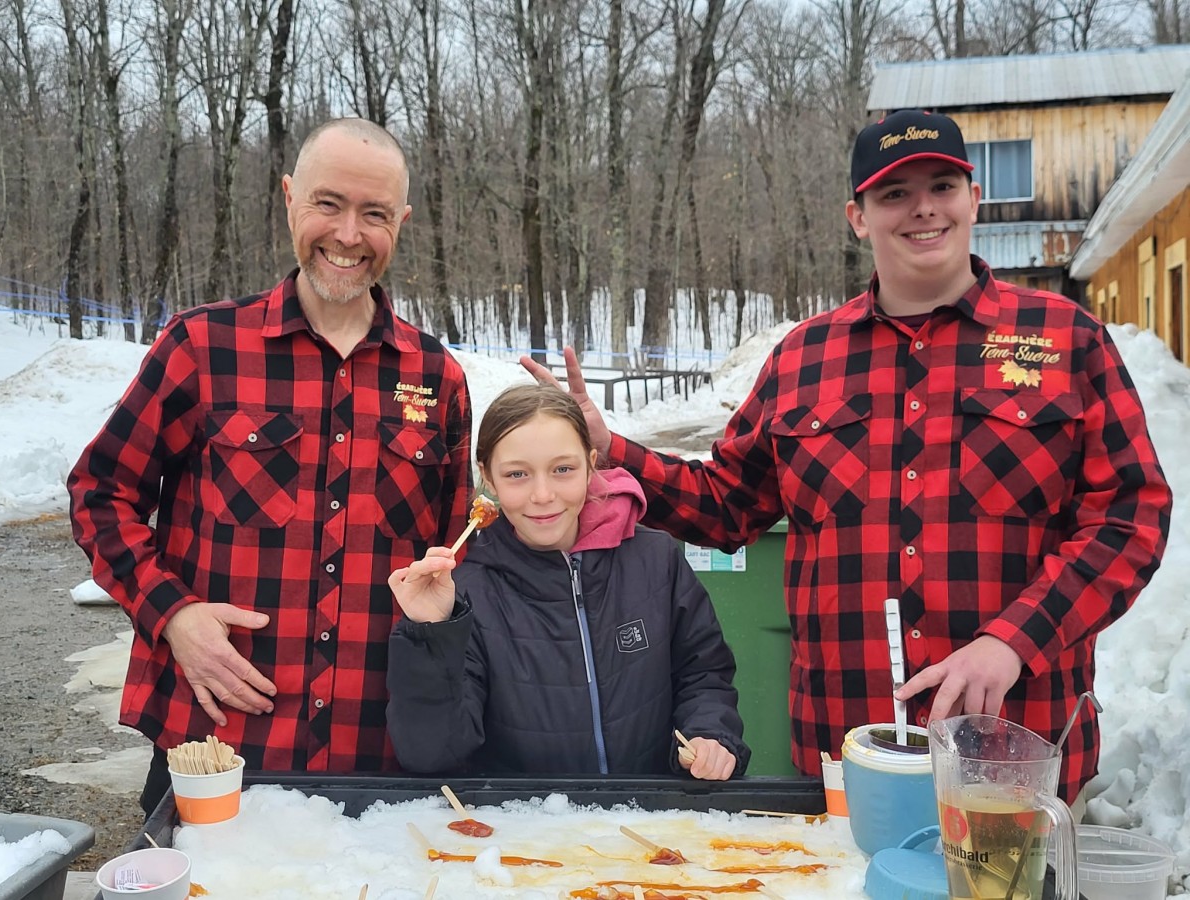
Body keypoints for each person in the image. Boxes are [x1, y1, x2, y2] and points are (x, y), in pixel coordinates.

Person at [524, 109, 1172, 803]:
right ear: (858, 216)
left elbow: (1131, 518)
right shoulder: (806, 359)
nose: (923, 208)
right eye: (894, 193)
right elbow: (726, 507)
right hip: (845, 752)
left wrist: (1014, 640)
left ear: (973, 197)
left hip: (1014, 752)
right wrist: (609, 449)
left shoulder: (1064, 340)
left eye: (942, 185)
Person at [67, 117, 473, 814]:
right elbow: (100, 493)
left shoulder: (437, 380)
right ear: (289, 197)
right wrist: (174, 615)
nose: (348, 235)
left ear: (400, 222)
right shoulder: (203, 346)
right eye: (328, 204)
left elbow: (461, 561)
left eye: (373, 214)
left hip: (374, 758)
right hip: (215, 745)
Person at [384, 384, 750, 779]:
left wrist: (710, 733)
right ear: (487, 476)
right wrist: (431, 634)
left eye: (563, 469)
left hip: (651, 820)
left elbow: (703, 673)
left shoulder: (656, 560)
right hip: (531, 828)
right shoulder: (470, 592)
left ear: (591, 464)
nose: (543, 495)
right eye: (517, 474)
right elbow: (431, 755)